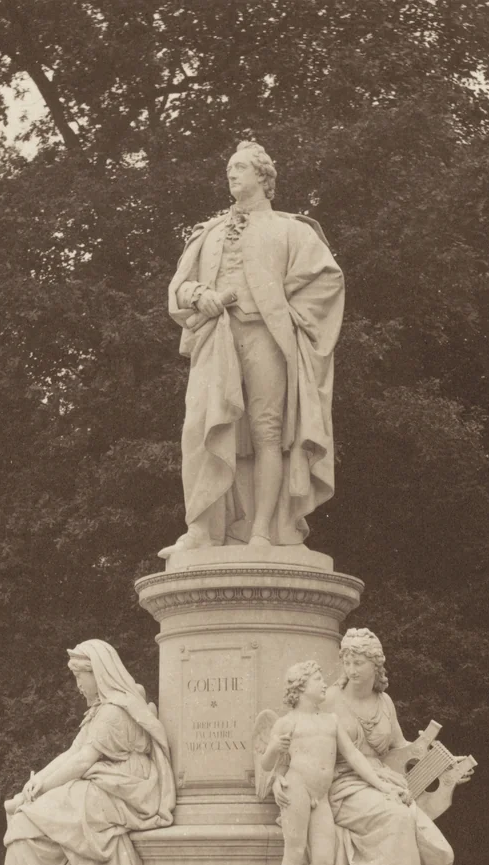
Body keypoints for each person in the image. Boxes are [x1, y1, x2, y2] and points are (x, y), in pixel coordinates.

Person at [160, 140, 345, 557]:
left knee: (268, 433)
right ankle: (202, 529)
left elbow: (327, 281)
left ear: (263, 177)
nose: (232, 174)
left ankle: (264, 531)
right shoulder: (207, 233)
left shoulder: (291, 229)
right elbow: (177, 288)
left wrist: (289, 313)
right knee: (200, 429)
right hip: (217, 337)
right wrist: (198, 295)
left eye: (240, 167)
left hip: (265, 336)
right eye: (229, 168)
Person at [0, 640, 176, 865]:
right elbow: (72, 752)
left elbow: (83, 761)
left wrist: (45, 787)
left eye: (79, 676)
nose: (77, 684)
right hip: (108, 783)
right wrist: (36, 782)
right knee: (31, 813)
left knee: (31, 815)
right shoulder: (102, 710)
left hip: (126, 790)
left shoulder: (115, 712)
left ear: (97, 672)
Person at [277, 629, 456, 865]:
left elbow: (400, 750)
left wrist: (445, 770)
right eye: (346, 661)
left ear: (376, 665)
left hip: (380, 781)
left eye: (358, 662)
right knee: (397, 818)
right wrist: (278, 779)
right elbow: (299, 743)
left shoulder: (384, 702)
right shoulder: (330, 700)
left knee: (436, 846)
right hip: (343, 785)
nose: (351, 669)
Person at [262, 661, 410, 865]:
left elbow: (354, 756)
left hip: (321, 795)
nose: (323, 684)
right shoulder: (287, 722)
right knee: (294, 853)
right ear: (301, 687)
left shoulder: (330, 721)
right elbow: (268, 764)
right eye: (318, 679)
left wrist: (381, 785)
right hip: (297, 790)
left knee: (324, 860)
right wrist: (273, 748)